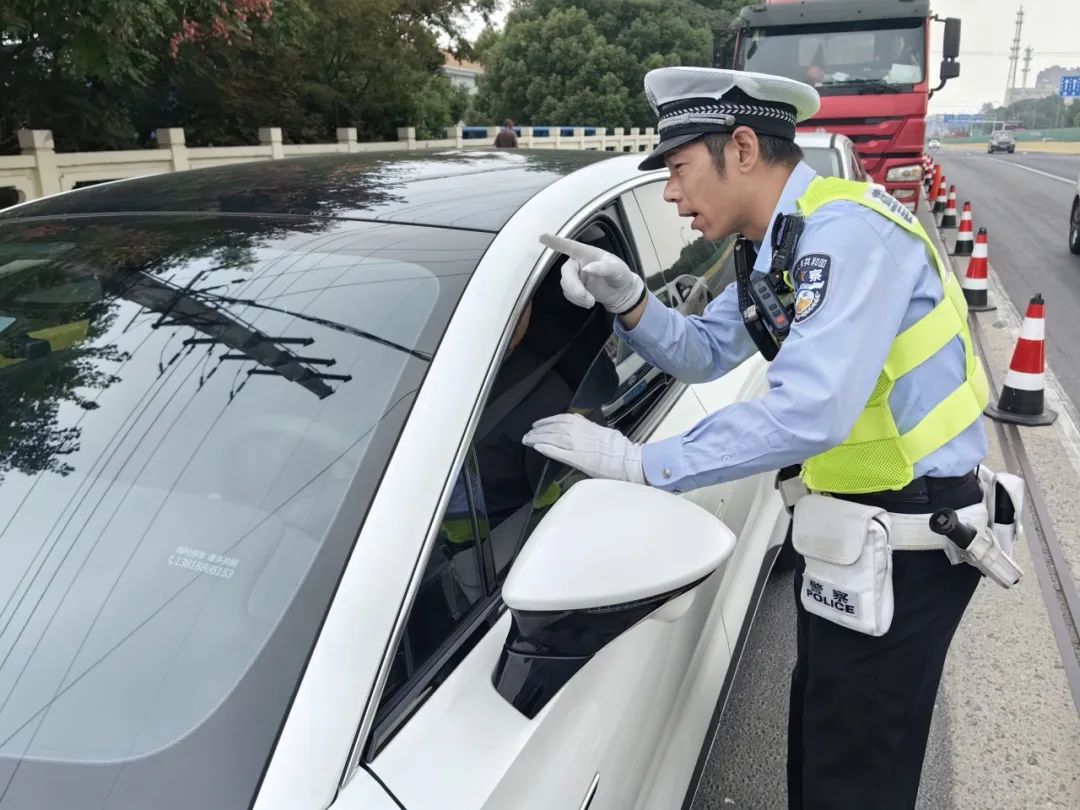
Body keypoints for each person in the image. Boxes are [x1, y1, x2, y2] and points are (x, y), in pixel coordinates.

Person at [525, 66, 994, 809]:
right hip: (857, 529)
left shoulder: (845, 234)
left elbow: (810, 412)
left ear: (741, 147)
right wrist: (632, 301)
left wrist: (645, 465)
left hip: (910, 534)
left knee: (856, 773)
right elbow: (708, 351)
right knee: (821, 744)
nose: (671, 193)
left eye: (677, 169)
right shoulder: (780, 244)